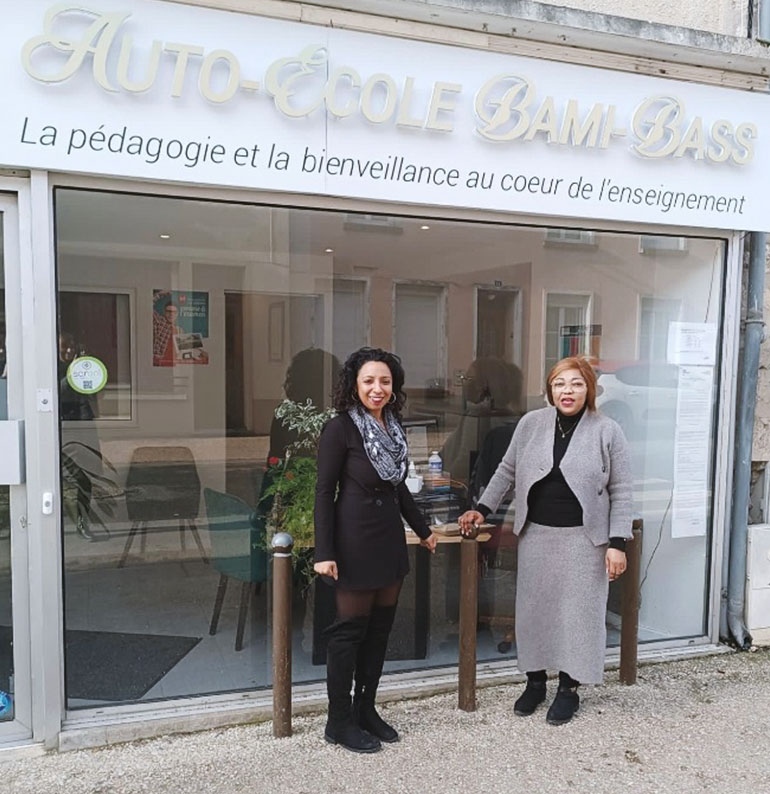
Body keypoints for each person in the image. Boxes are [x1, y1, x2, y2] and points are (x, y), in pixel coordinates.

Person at [458, 355, 632, 726]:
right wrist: (482, 509)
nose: (567, 392)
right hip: (536, 534)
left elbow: (622, 490)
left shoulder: (607, 430)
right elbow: (506, 471)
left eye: (575, 384)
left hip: (586, 539)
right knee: (534, 611)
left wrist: (618, 542)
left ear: (590, 389)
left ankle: (568, 689)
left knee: (578, 615)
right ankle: (535, 682)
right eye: (559, 385)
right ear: (549, 390)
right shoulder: (531, 424)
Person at [314, 347, 438, 753]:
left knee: (380, 631)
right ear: (355, 384)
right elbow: (323, 492)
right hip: (353, 541)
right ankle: (339, 721)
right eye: (369, 381)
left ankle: (366, 709)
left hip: (388, 539)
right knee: (347, 634)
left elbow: (397, 484)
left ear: (393, 387)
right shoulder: (340, 429)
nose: (377, 388)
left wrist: (422, 530)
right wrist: (324, 551)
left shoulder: (393, 425)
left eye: (385, 381)